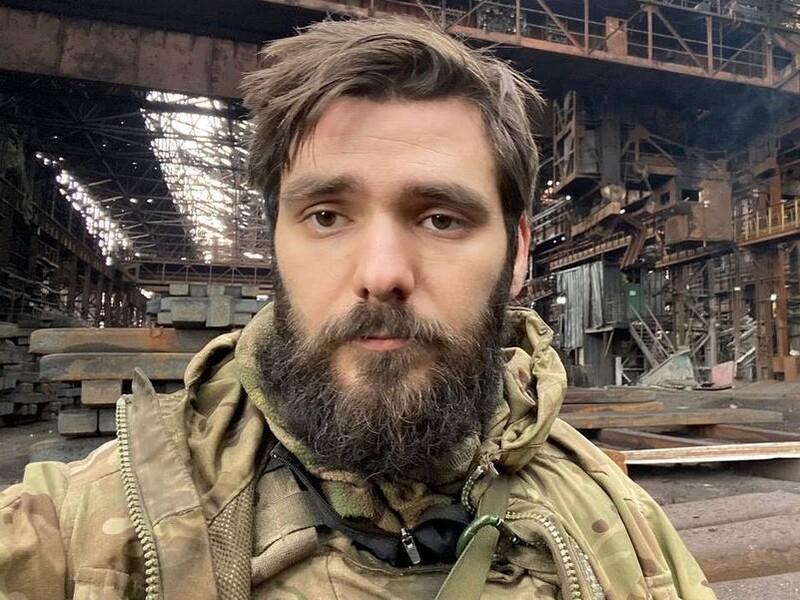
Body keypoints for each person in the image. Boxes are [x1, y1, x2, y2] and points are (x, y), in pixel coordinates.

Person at [0, 17, 716, 600]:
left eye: (441, 219)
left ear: (519, 251)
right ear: (274, 241)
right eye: (326, 216)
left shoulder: (628, 538)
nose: (382, 274)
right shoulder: (83, 528)